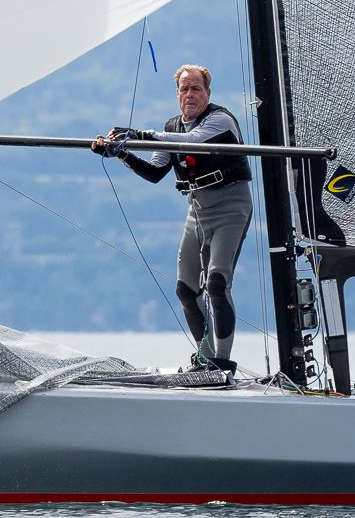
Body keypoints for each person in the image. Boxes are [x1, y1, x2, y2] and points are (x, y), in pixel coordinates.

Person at [93, 64, 252, 373]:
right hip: (197, 210)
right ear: (177, 94)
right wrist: (121, 153)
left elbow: (192, 141)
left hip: (231, 207)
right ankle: (205, 359)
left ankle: (222, 362)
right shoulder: (171, 127)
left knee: (217, 283)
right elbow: (155, 172)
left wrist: (139, 135)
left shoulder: (220, 119)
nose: (190, 94)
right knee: (185, 289)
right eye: (184, 89)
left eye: (196, 89)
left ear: (207, 93)